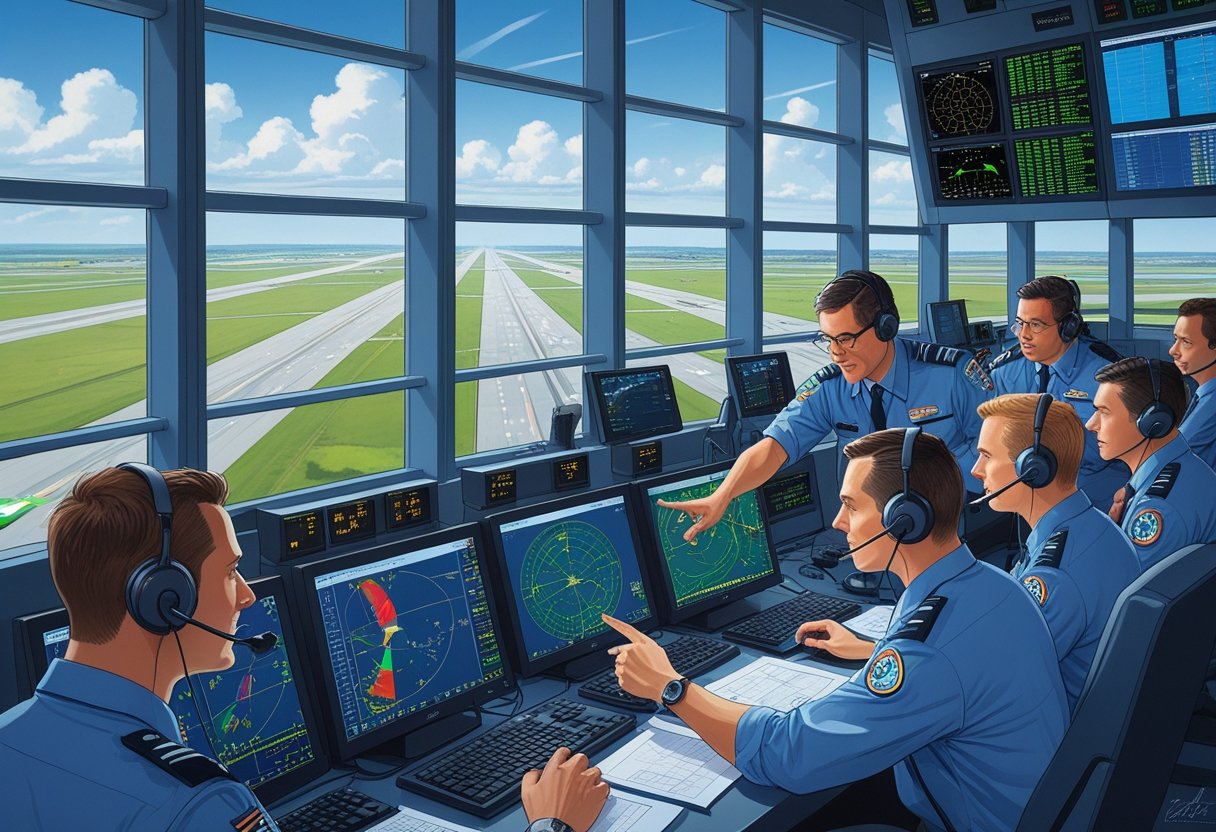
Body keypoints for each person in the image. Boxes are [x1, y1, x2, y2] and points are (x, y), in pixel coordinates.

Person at [0, 466, 608, 832]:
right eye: (232, 572)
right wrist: (553, 824)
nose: (245, 596)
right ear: (164, 599)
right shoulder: (198, 804)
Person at [606, 429, 1068, 831]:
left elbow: (790, 755)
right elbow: (959, 670)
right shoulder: (994, 585)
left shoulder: (927, 653)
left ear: (904, 520)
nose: (837, 522)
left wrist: (671, 688)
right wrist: (873, 650)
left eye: (850, 505)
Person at [662, 270, 991, 596]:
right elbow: (774, 446)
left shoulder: (950, 374)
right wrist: (724, 496)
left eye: (846, 339)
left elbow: (999, 451)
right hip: (866, 559)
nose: (836, 353)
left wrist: (936, 484)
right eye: (828, 340)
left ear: (885, 328)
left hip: (943, 548)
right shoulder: (830, 389)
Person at [971, 393, 1141, 712]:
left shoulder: (1057, 572)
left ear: (1034, 469)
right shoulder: (1088, 525)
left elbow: (995, 670)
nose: (975, 470)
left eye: (986, 456)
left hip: (1061, 733)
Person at [986, 276, 1128, 504]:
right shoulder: (1003, 373)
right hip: (1029, 501)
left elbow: (1137, 450)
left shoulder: (1109, 377)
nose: (1023, 335)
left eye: (1035, 325)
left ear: (1068, 327)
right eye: (1020, 323)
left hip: (1098, 501)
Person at [1087, 358, 1216, 571]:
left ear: (1152, 422)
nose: (1091, 424)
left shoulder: (1160, 508)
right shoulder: (1173, 470)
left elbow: (1120, 586)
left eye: (1104, 412)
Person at [1170, 298, 1216, 468]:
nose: (1173, 351)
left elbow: (1174, 452)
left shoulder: (1212, 401)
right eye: (1176, 339)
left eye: (1186, 342)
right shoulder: (1201, 392)